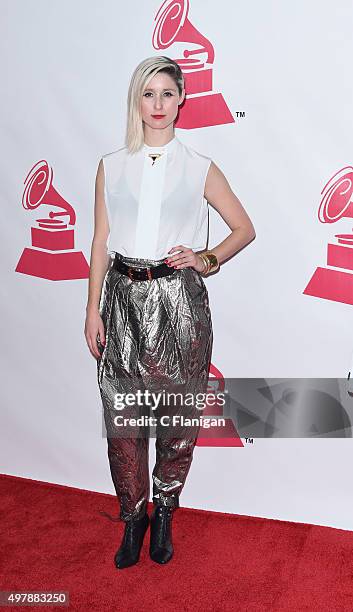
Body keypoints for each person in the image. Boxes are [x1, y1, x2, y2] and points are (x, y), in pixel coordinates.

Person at [84, 55, 255, 570]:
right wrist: (92, 310)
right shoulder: (111, 165)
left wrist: (206, 259)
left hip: (179, 302)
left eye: (166, 94)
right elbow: (99, 241)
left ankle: (164, 512)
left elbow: (243, 228)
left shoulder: (199, 166)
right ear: (136, 101)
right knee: (124, 419)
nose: (157, 105)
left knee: (177, 418)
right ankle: (132, 517)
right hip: (122, 298)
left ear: (181, 99)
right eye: (148, 94)